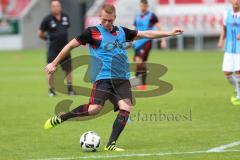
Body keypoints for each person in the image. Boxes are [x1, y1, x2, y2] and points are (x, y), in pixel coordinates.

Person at [44, 4, 183, 151]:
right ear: (100, 17)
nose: (106, 23)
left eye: (109, 20)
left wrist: (169, 33)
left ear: (114, 18)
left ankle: (110, 144)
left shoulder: (122, 31)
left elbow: (146, 34)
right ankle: (62, 117)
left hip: (122, 79)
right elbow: (70, 45)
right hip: (102, 78)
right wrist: (54, 63)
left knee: (125, 107)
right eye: (104, 20)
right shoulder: (92, 33)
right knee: (94, 109)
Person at [38, 0, 75, 96]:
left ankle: (70, 89)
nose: (56, 8)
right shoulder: (47, 19)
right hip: (53, 48)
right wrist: (47, 39)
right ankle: (51, 90)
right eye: (54, 6)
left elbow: (65, 30)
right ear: (51, 7)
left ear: (60, 6)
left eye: (58, 6)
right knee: (51, 68)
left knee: (68, 69)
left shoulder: (65, 17)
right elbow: (40, 33)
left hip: (65, 48)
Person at [133, 0, 167, 90]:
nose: (142, 7)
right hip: (137, 42)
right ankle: (142, 83)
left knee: (139, 60)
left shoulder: (152, 16)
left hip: (146, 41)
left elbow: (159, 27)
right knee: (139, 62)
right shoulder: (137, 16)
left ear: (147, 6)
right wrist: (130, 39)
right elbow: (134, 28)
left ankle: (139, 81)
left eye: (143, 5)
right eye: (141, 5)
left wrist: (163, 40)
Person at [218, 0, 240, 105]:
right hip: (229, 48)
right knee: (227, 73)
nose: (236, 1)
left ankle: (238, 95)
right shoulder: (226, 13)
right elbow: (224, 28)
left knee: (238, 72)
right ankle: (237, 88)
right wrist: (221, 40)